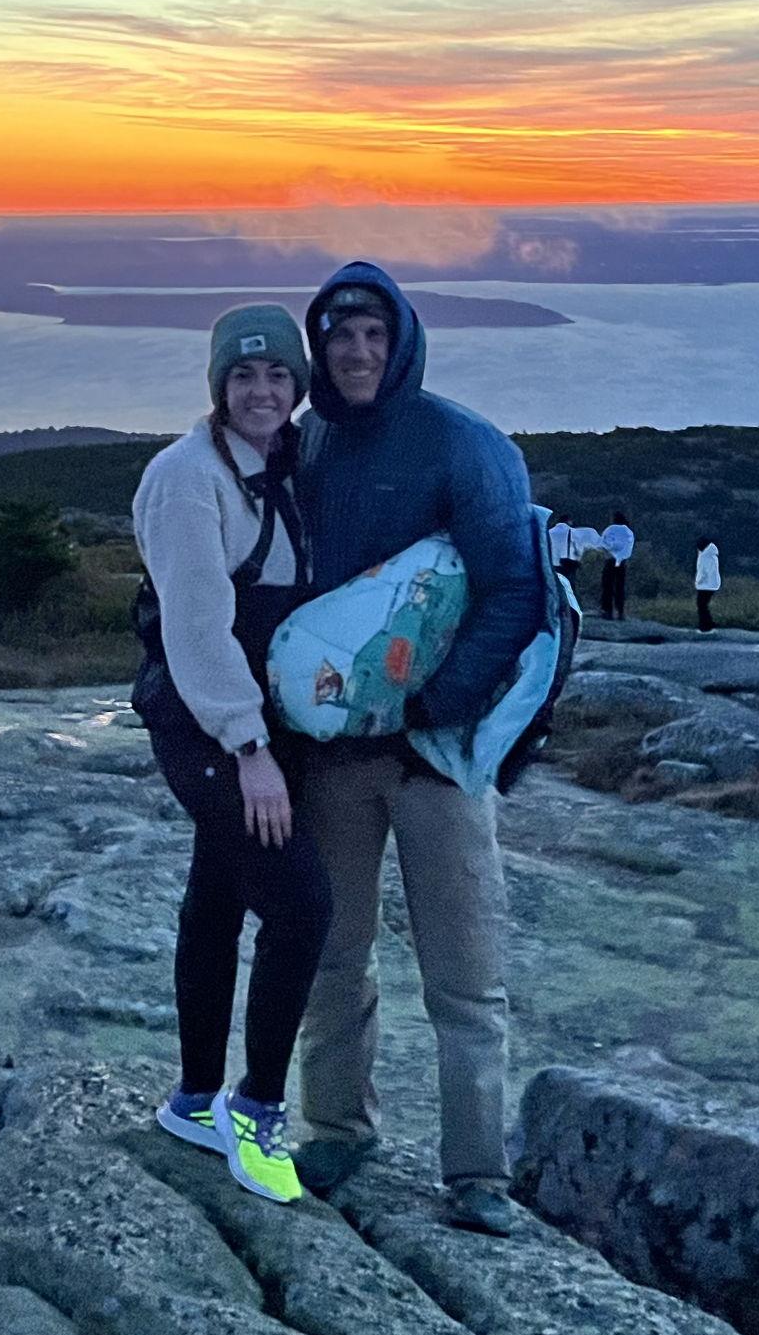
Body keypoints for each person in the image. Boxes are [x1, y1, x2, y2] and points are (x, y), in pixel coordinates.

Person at [293, 263, 544, 1236]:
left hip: (438, 752)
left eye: (373, 335)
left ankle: (477, 1172)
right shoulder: (308, 441)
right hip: (335, 754)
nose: (356, 352)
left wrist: (436, 702)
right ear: (319, 347)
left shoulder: (464, 444)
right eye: (339, 336)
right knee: (331, 953)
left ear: (400, 342)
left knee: (464, 971)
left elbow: (512, 589)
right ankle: (337, 1128)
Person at [131, 305, 331, 1205]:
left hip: (260, 719)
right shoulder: (189, 479)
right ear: (218, 386)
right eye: (243, 376)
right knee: (301, 905)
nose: (261, 391)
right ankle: (255, 1110)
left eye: (278, 376)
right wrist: (249, 747)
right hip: (207, 723)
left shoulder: (283, 467)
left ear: (297, 387)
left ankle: (193, 1099)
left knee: (217, 895)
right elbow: (197, 629)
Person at [599, 509, 635, 622]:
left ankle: (607, 611)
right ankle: (620, 611)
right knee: (620, 587)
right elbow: (629, 546)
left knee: (607, 586)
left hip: (610, 560)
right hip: (622, 562)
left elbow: (603, 544)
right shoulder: (628, 531)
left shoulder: (609, 529)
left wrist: (609, 551)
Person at [695, 536, 722, 632]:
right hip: (713, 584)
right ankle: (708, 624)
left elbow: (702, 572)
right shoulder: (712, 555)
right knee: (703, 604)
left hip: (705, 585)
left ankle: (705, 626)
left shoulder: (704, 556)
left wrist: (698, 581)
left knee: (701, 605)